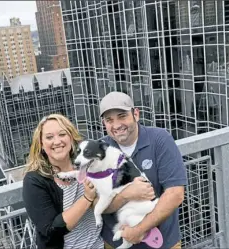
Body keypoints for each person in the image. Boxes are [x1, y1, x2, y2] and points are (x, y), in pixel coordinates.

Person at [98, 91, 188, 249]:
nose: (117, 125)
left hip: (162, 243)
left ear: (136, 114)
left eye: (122, 116)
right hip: (116, 243)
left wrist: (139, 230)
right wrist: (126, 195)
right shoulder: (101, 151)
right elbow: (97, 206)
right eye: (109, 120)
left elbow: (175, 194)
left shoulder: (160, 140)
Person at [22, 114, 104, 249]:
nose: (57, 141)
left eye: (62, 134)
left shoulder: (88, 164)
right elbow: (51, 231)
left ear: (71, 138)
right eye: (49, 137)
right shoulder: (34, 181)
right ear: (41, 144)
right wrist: (87, 198)